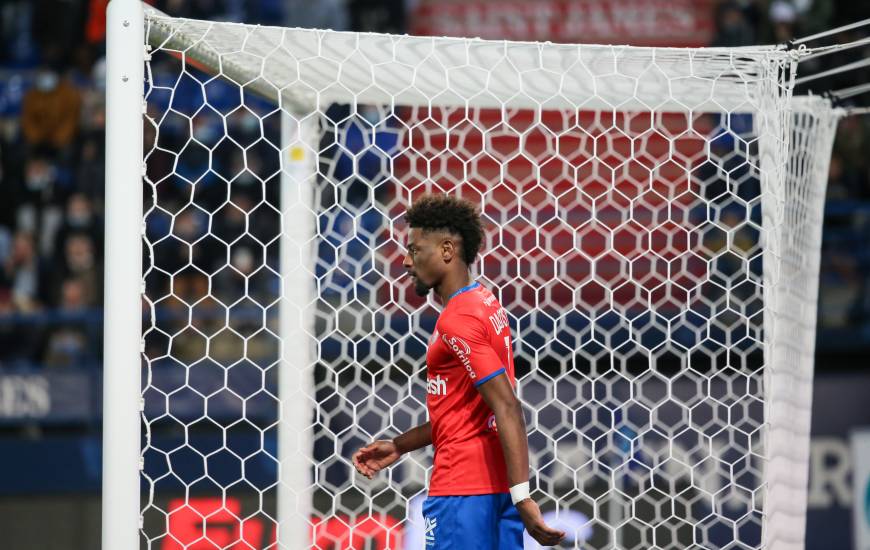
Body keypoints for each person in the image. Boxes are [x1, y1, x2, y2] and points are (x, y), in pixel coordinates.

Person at [352, 194, 565, 548]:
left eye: (415, 249)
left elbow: (507, 406)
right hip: (494, 489)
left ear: (447, 250)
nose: (406, 261)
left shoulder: (457, 320)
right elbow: (466, 412)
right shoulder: (485, 302)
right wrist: (400, 445)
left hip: (463, 493)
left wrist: (524, 496)